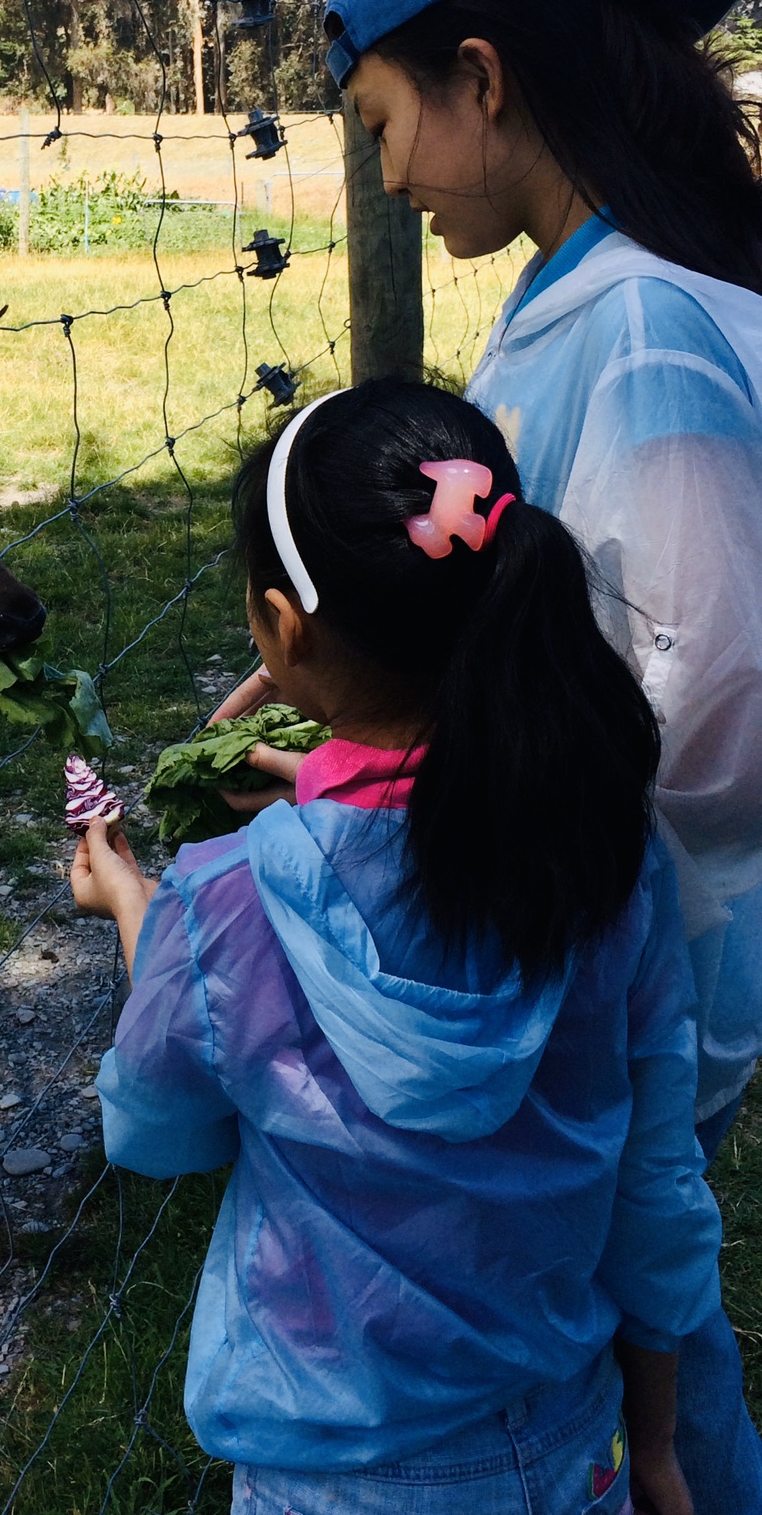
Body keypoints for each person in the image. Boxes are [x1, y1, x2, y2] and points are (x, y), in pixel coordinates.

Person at [212, 0, 762, 1508]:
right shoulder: (595, 298)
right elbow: (547, 604)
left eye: (383, 124)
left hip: (629, 955)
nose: (385, 175)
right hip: (602, 942)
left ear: (483, 78)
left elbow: (712, 715)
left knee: (617, 1306)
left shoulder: (646, 329)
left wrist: (407, 793)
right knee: (614, 1301)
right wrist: (367, 706)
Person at [73, 380, 720, 1515]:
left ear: (283, 629)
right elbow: (657, 1184)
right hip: (574, 1446)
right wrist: (658, 1441)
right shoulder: (608, 860)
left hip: (333, 1476)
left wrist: (142, 910)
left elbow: (158, 1126)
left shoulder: (224, 904)